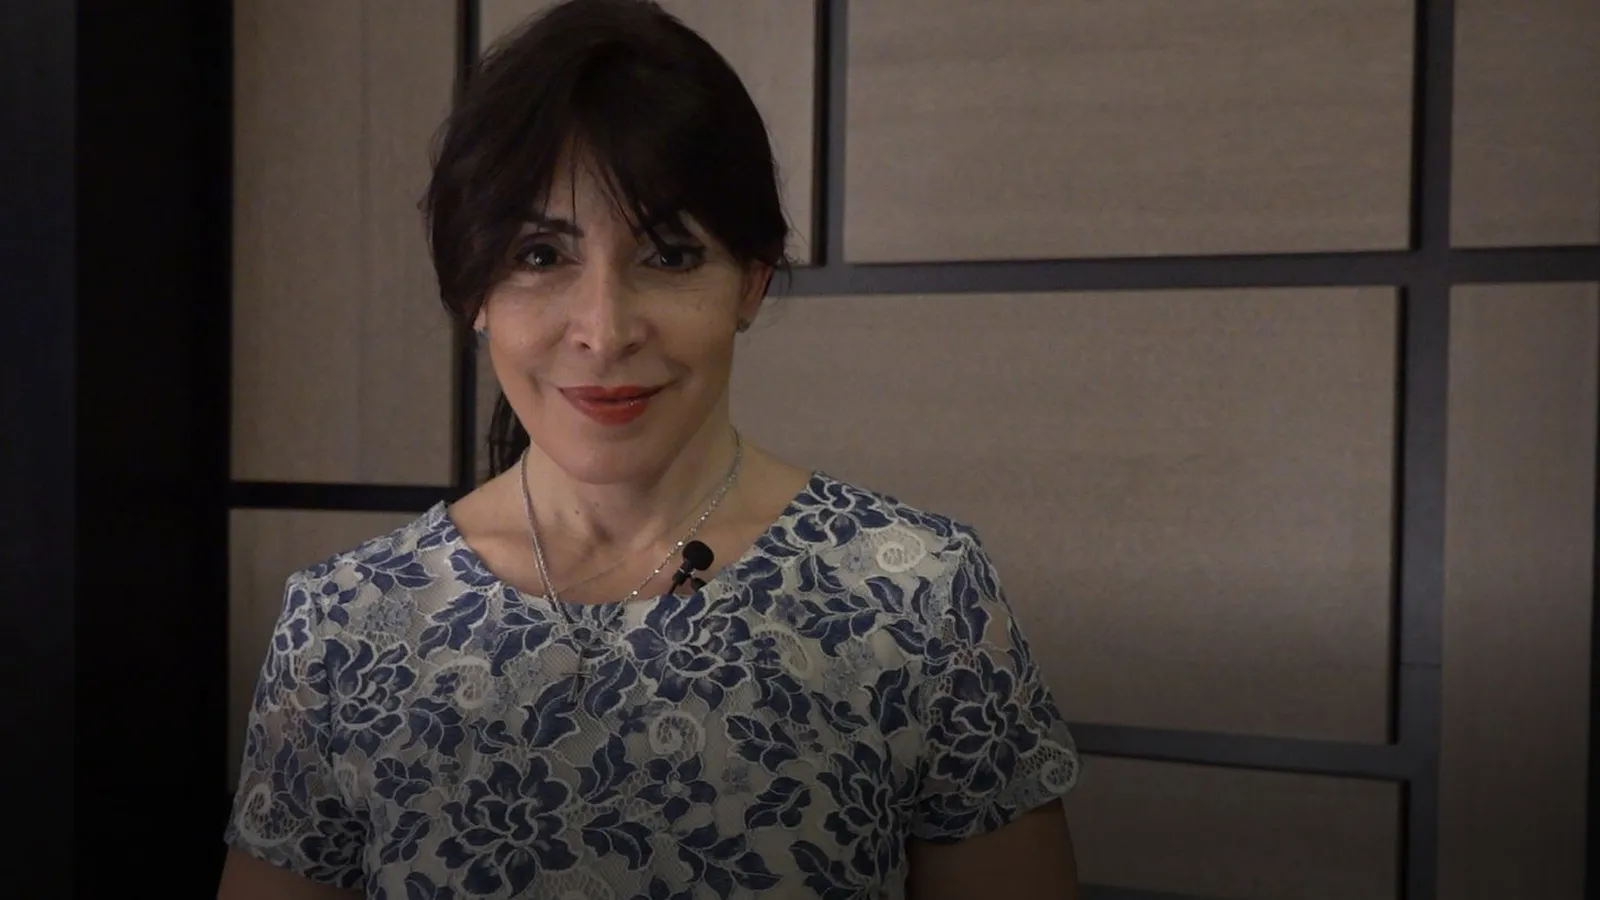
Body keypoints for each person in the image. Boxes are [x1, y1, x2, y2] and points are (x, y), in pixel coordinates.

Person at [216, 1, 1081, 897]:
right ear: (473, 289)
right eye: (541, 255)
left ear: (751, 281)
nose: (604, 329)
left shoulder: (921, 599)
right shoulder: (344, 624)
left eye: (668, 255)